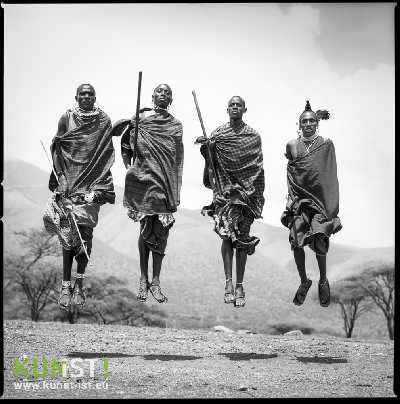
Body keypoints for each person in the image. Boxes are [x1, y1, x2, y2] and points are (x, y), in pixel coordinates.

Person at [43, 84, 116, 311]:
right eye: (82, 94)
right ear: (76, 97)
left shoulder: (103, 120)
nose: (86, 96)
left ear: (95, 97)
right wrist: (61, 177)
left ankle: (80, 281)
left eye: (90, 93)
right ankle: (66, 286)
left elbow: (105, 154)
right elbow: (58, 145)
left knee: (85, 239)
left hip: (92, 185)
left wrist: (100, 188)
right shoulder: (66, 117)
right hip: (69, 182)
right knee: (67, 238)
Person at [111, 84, 184, 304]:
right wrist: (132, 127)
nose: (163, 94)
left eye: (167, 92)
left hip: (163, 183)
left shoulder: (176, 125)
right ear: (152, 96)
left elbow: (177, 158)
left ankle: (156, 281)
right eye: (159, 92)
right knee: (145, 229)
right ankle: (143, 279)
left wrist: (174, 186)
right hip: (143, 179)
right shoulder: (140, 120)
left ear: (171, 99)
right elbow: (127, 145)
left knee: (161, 231)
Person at [196, 96, 265, 308]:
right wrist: (208, 150)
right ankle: (228, 284)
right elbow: (212, 165)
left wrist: (251, 192)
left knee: (242, 239)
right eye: (232, 105)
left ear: (245, 109)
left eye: (239, 105)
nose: (235, 107)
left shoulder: (253, 136)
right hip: (225, 194)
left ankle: (240, 285)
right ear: (227, 109)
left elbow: (257, 167)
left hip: (246, 196)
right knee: (226, 237)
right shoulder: (218, 135)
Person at [281, 100, 342, 307]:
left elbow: (328, 174)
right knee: (296, 240)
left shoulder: (326, 145)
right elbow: (292, 173)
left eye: (311, 121)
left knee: (320, 239)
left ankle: (323, 280)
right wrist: (290, 198)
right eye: (304, 121)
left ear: (317, 123)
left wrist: (330, 204)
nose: (308, 124)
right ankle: (304, 280)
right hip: (299, 200)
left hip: (320, 202)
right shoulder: (291, 145)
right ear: (299, 124)